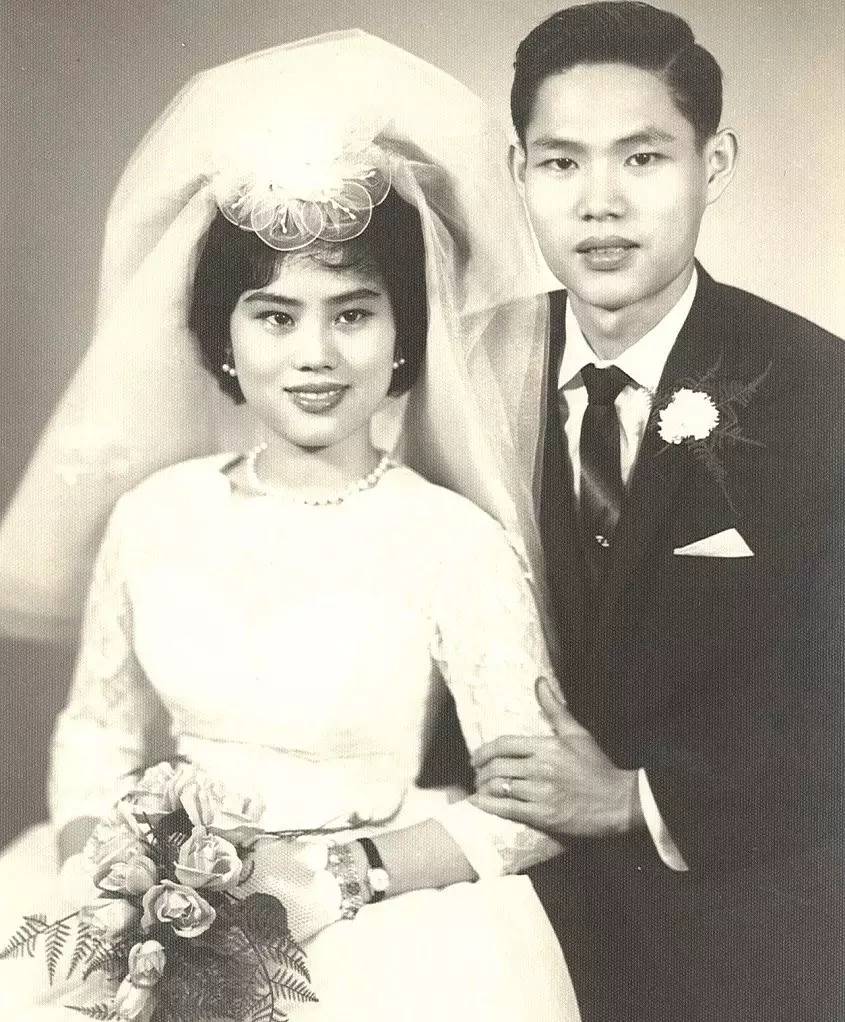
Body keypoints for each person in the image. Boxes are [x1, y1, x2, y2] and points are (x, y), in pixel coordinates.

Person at [0, 31, 581, 1022]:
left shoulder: (451, 539)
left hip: (381, 925)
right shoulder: (154, 514)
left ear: (404, 335)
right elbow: (95, 731)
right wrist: (102, 878)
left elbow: (532, 806)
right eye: (274, 316)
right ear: (223, 338)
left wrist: (338, 875)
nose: (315, 354)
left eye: (352, 314)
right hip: (158, 906)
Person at [470, 4, 845, 1020]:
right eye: (560, 163)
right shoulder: (459, 375)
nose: (599, 203)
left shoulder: (819, 392)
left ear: (712, 164)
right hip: (494, 917)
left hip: (742, 926)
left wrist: (634, 797)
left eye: (641, 158)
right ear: (517, 173)